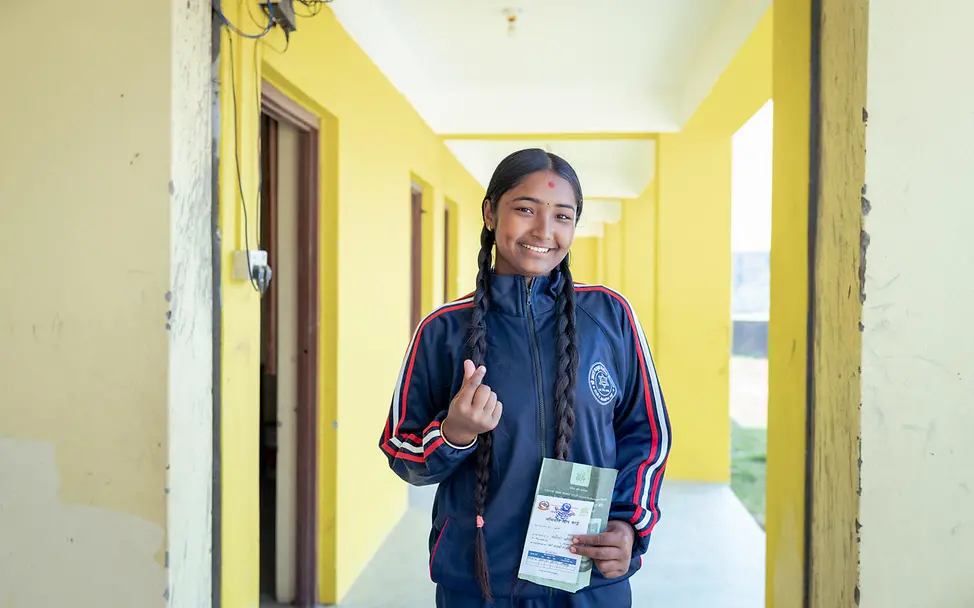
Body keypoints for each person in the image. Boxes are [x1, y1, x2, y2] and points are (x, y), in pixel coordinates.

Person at [378, 148, 671, 607]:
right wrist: (453, 434)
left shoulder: (611, 317)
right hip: (479, 582)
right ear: (491, 213)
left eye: (562, 216)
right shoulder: (442, 331)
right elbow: (401, 451)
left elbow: (647, 434)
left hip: (589, 580)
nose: (544, 231)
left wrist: (630, 525)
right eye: (525, 209)